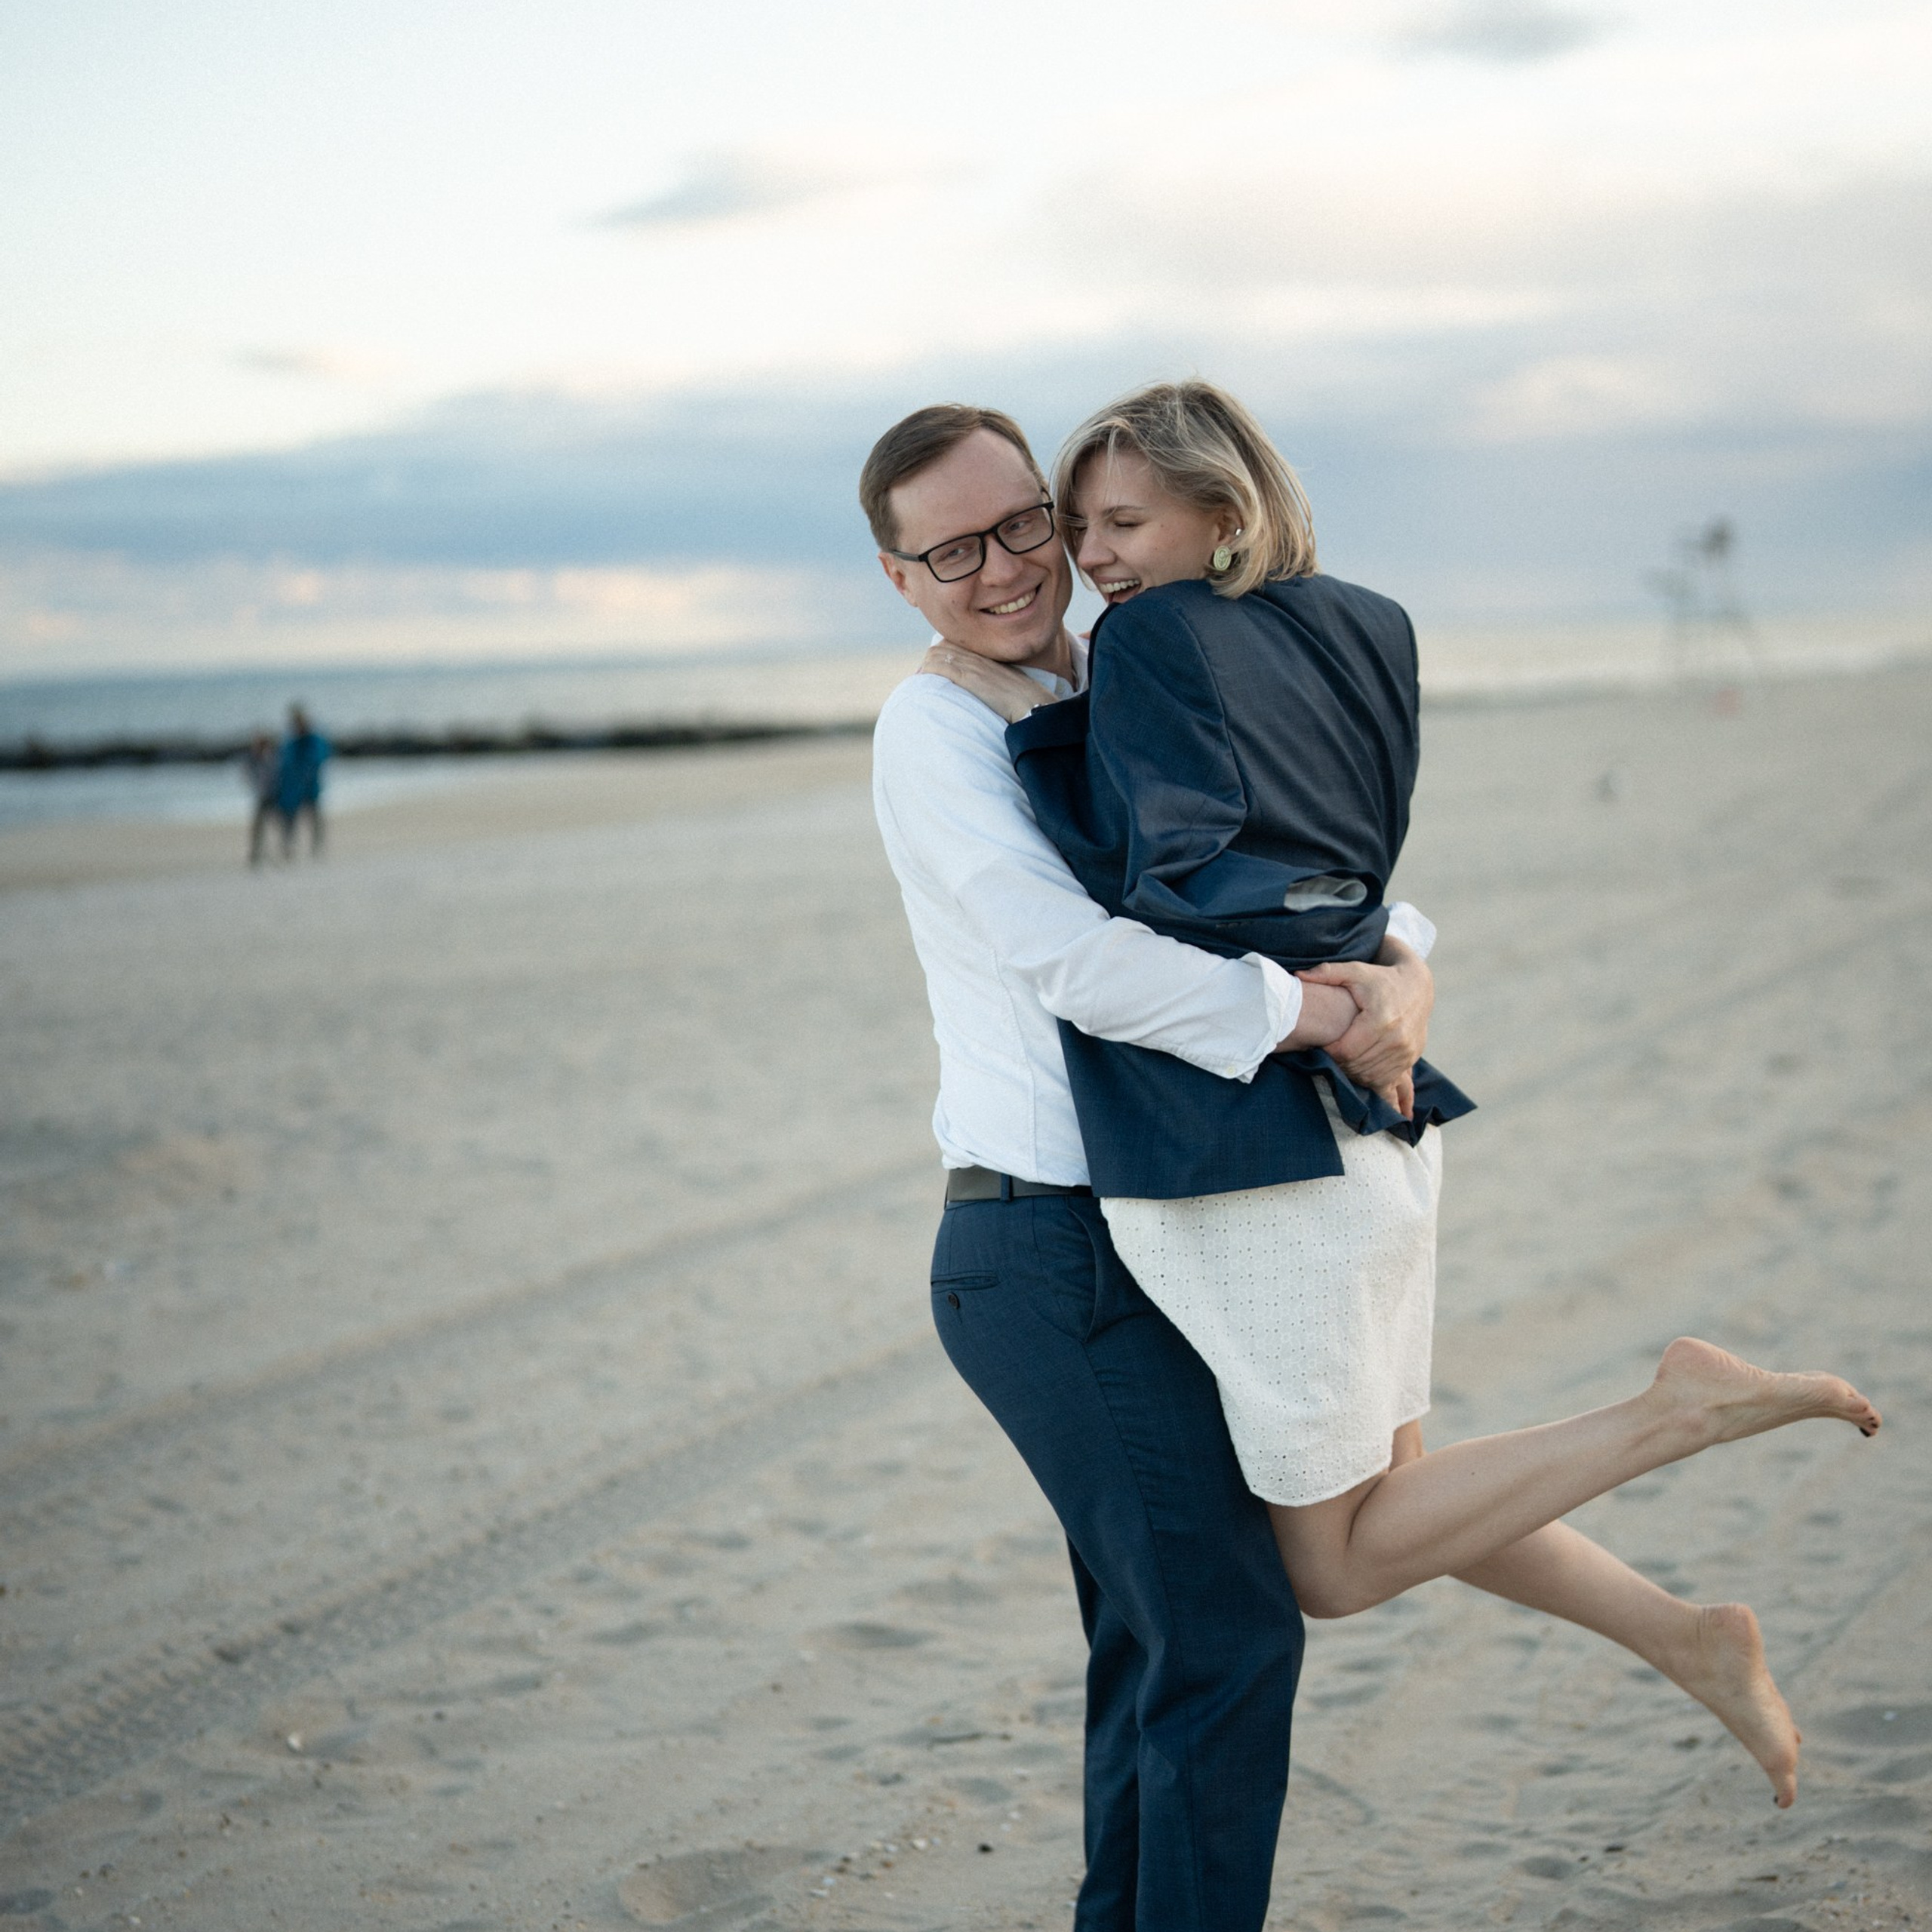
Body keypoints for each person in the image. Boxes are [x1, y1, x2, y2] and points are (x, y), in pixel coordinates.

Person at [918, 379, 1881, 1817]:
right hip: (1377, 1119)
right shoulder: (1361, 630)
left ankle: (1672, 1412)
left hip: (1260, 1152)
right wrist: (1395, 973)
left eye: (1120, 522)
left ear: (1222, 515)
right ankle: (1684, 1632)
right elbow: (1349, 873)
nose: (1094, 556)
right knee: (1412, 1500)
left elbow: (1144, 915)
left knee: (1336, 1560)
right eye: (1082, 525)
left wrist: (1307, 985)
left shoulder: (1158, 645)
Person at [864, 405, 1441, 1932]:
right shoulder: (935, 727)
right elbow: (1074, 960)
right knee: (1228, 1637)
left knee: (1154, 1647)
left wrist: (1403, 975)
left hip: (1160, 1225)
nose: (1000, 567)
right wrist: (1321, 1010)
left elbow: (1295, 861)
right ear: (897, 573)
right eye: (952, 548)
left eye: (1023, 524)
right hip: (1041, 1246)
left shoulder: (1125, 669)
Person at [275, 704, 331, 860]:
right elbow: (284, 765)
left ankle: (317, 849)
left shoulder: (313, 741)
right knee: (291, 820)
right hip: (293, 789)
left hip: (309, 787)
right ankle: (289, 848)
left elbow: (319, 759)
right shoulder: (290, 742)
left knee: (314, 819)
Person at [241, 728, 280, 867]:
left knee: (277, 826)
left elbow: (278, 776)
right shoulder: (252, 760)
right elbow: (247, 776)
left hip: (273, 796)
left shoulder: (272, 759)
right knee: (258, 828)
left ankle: (279, 853)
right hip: (262, 797)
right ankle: (255, 854)